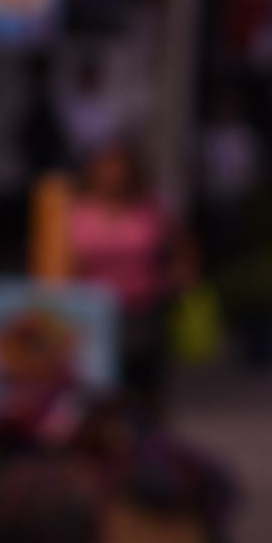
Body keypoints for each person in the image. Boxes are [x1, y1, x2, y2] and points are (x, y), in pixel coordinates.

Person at [67, 143, 186, 409]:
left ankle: (147, 443)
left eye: (120, 175)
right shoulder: (77, 212)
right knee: (97, 390)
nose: (114, 181)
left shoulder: (150, 209)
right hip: (91, 315)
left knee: (141, 387)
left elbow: (180, 246)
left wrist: (177, 276)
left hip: (141, 309)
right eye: (107, 175)